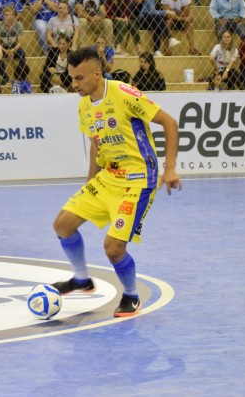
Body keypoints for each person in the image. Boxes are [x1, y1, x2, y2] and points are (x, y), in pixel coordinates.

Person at [51, 46, 181, 317]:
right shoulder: (84, 104)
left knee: (113, 248)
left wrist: (170, 169)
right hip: (108, 177)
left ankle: (132, 296)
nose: (73, 84)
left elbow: (169, 123)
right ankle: (81, 279)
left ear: (97, 74)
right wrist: (89, 183)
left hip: (137, 179)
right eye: (71, 78)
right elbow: (96, 145)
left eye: (79, 78)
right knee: (62, 225)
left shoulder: (123, 94)